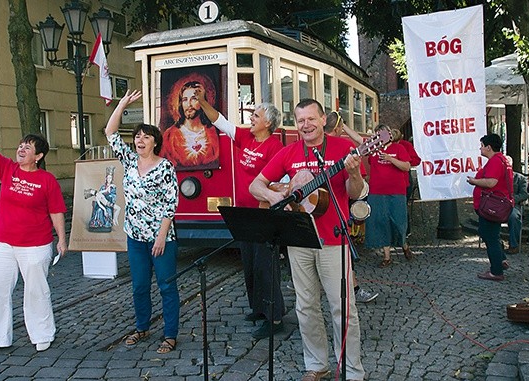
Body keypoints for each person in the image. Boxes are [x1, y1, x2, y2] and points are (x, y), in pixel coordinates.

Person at [250, 99, 366, 381]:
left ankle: (352, 372)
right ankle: (316, 366)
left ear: (323, 119)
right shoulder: (289, 153)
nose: (306, 125)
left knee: (342, 307)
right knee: (306, 306)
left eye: (311, 119)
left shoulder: (342, 150)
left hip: (333, 239)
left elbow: (355, 191)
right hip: (298, 238)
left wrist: (352, 172)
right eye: (300, 120)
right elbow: (255, 185)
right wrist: (275, 196)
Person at [0, 101, 67, 356]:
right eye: (21, 145)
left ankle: (42, 334)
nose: (21, 148)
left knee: (36, 291)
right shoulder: (8, 169)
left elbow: (56, 211)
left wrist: (62, 240)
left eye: (27, 147)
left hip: (35, 245)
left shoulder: (47, 180)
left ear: (38, 156)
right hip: (4, 244)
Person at [194, 85, 286, 339]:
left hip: (263, 213)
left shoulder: (275, 147)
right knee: (250, 264)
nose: (251, 118)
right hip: (243, 212)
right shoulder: (246, 137)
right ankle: (258, 308)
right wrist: (202, 102)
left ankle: (275, 317)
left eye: (256, 115)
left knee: (266, 267)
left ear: (268, 122)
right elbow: (220, 121)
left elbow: (278, 181)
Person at [105, 90, 180, 354]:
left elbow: (171, 204)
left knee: (166, 285)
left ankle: (170, 334)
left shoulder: (165, 167)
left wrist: (161, 236)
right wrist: (122, 104)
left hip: (161, 238)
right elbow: (110, 132)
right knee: (139, 286)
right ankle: (141, 327)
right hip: (135, 236)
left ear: (155, 142)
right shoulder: (129, 161)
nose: (139, 139)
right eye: (137, 136)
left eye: (145, 136)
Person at [324, 111, 379, 304]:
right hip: (335, 214)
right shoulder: (343, 147)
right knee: (344, 249)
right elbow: (358, 188)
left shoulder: (338, 148)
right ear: (338, 128)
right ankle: (353, 289)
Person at [467, 133, 513, 281]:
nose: (480, 148)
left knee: (490, 236)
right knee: (489, 233)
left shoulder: (495, 161)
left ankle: (496, 271)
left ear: (488, 147)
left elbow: (491, 182)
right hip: (495, 204)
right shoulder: (501, 160)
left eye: (481, 145)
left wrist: (475, 181)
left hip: (492, 205)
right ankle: (500, 260)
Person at [364, 124, 412, 267]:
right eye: (377, 134)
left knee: (398, 221)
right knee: (381, 222)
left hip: (396, 191)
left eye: (382, 134)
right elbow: (360, 142)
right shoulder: (373, 150)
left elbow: (406, 166)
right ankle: (387, 256)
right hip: (377, 192)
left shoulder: (399, 148)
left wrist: (390, 159)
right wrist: (343, 128)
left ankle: (404, 244)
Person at [161, 80, 220, 169]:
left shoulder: (213, 132)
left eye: (194, 99)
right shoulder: (170, 135)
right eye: (185, 100)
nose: (189, 104)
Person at [86, 166, 121, 232]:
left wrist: (110, 193)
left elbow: (112, 194)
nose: (109, 179)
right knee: (99, 210)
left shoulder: (113, 187)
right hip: (103, 205)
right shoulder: (101, 190)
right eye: (108, 178)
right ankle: (98, 224)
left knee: (114, 209)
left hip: (109, 202)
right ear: (106, 179)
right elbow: (100, 199)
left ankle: (114, 219)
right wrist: (104, 209)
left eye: (110, 178)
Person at [506, 156, 529, 254]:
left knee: (513, 217)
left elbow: (524, 194)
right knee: (486, 214)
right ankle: (496, 243)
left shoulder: (520, 178)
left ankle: (513, 245)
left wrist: (512, 200)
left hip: (513, 205)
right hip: (497, 205)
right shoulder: (497, 178)